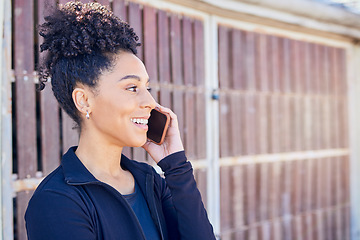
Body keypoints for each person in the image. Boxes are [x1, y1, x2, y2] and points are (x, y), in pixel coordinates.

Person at [25, 2, 216, 240]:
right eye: (132, 87)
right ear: (83, 100)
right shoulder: (56, 201)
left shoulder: (150, 182)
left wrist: (175, 166)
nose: (149, 101)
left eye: (147, 87)